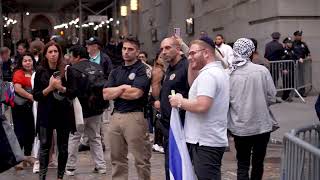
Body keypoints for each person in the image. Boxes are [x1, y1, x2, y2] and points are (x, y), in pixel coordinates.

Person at [169, 36, 229, 180]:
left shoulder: (209, 75)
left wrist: (179, 101)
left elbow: (202, 105)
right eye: (188, 54)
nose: (189, 57)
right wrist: (192, 60)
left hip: (205, 142)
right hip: (206, 139)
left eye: (193, 53)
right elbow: (192, 84)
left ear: (206, 53)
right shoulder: (212, 72)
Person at [103, 36, 151, 180]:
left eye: (130, 49)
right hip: (116, 116)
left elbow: (136, 93)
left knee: (140, 159)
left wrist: (116, 91)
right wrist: (124, 88)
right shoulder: (116, 71)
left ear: (137, 52)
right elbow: (105, 94)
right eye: (124, 48)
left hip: (134, 116)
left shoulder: (142, 69)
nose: (126, 52)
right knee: (117, 159)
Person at [228, 38, 278, 180]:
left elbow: (227, 101)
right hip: (261, 125)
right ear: (251, 53)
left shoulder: (229, 73)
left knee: (242, 163)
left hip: (240, 127)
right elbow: (272, 96)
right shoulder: (262, 71)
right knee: (258, 163)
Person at [33, 41, 75, 180]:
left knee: (63, 147)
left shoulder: (67, 70)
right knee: (45, 147)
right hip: (46, 113)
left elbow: (73, 93)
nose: (53, 54)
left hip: (63, 113)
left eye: (55, 51)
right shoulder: (40, 71)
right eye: (50, 52)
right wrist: (50, 88)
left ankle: (60, 177)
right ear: (45, 54)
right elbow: (36, 96)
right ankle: (42, 177)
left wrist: (61, 88)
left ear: (59, 53)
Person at [65, 45, 107, 176]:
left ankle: (70, 167)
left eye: (71, 56)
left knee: (74, 137)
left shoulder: (73, 70)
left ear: (77, 56)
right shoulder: (98, 67)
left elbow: (72, 92)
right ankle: (101, 166)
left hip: (79, 110)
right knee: (95, 137)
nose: (70, 59)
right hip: (97, 108)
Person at [158, 37, 190, 179]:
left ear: (178, 49)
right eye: (162, 49)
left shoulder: (186, 67)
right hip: (167, 125)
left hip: (181, 126)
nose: (163, 52)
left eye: (168, 48)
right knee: (170, 166)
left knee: (179, 166)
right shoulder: (169, 68)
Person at [79, 36, 112, 152]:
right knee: (88, 117)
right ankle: (86, 140)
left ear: (96, 46)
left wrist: (104, 86)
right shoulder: (86, 58)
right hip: (87, 93)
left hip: (99, 92)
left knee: (99, 118)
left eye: (89, 44)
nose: (87, 46)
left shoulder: (104, 59)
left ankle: (100, 141)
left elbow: (109, 75)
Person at [11, 52, 36, 170]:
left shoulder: (35, 72)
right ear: (21, 62)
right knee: (19, 132)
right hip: (20, 107)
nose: (27, 62)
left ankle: (27, 157)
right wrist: (31, 97)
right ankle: (18, 160)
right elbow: (17, 88)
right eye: (25, 60)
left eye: (29, 60)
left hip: (32, 108)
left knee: (31, 132)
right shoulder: (18, 73)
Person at [292, 30, 311, 97]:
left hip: (302, 63)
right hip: (294, 63)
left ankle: (302, 92)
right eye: (298, 35)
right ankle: (295, 92)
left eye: (300, 35)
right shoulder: (292, 44)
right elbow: (291, 53)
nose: (300, 37)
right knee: (295, 77)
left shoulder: (303, 44)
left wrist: (308, 57)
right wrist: (298, 58)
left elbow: (308, 53)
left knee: (301, 77)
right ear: (295, 36)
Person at [281, 37, 298, 101]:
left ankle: (286, 96)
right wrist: (283, 69)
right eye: (289, 43)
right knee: (286, 83)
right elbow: (281, 61)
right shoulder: (283, 51)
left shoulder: (292, 50)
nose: (290, 44)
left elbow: (295, 57)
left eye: (291, 43)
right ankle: (284, 97)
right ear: (285, 43)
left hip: (292, 69)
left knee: (291, 83)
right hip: (286, 69)